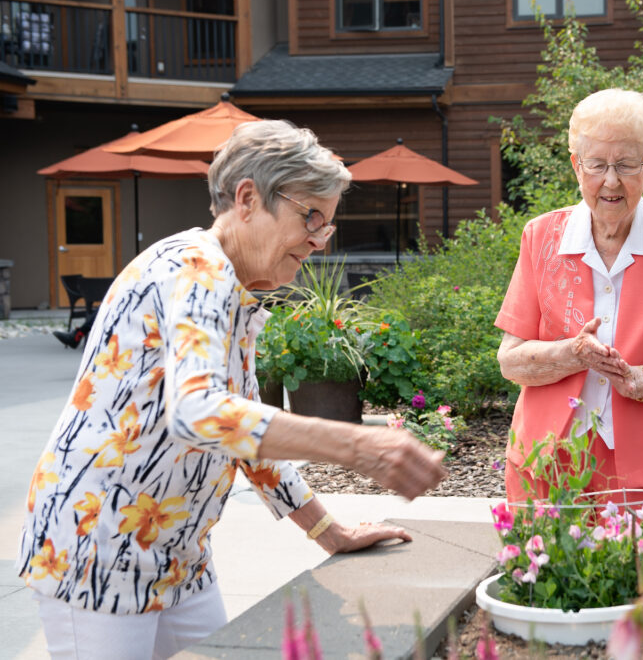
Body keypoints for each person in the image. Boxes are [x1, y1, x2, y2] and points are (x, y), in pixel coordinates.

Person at [18, 120, 447, 659]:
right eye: (310, 215)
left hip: (177, 556)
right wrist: (359, 446)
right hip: (100, 550)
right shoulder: (197, 269)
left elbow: (239, 430)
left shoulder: (235, 288)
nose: (319, 238)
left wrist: (328, 532)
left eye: (328, 224)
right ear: (248, 198)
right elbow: (199, 413)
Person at [495, 88, 643, 530]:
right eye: (597, 164)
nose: (610, 181)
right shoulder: (540, 237)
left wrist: (641, 380)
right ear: (575, 165)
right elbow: (510, 360)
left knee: (640, 593)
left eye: (625, 165)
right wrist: (571, 353)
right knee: (545, 589)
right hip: (544, 464)